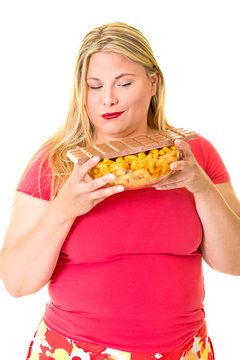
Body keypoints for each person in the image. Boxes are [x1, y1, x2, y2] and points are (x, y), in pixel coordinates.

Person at [0, 21, 239, 360]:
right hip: (75, 351)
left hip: (185, 352)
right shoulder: (56, 163)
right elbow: (16, 284)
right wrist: (64, 208)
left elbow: (235, 262)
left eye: (124, 83)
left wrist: (201, 187)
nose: (108, 99)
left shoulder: (194, 154)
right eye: (94, 86)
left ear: (153, 83)